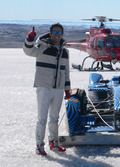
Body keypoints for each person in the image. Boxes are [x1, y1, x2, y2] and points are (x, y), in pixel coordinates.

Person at [23, 23, 71, 156]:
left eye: (59, 32)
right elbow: (28, 51)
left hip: (59, 89)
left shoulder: (65, 52)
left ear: (62, 34)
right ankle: (39, 146)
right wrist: (30, 39)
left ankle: (53, 143)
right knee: (42, 119)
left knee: (54, 118)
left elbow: (66, 72)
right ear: (50, 33)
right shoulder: (41, 47)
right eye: (54, 32)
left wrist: (67, 89)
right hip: (44, 87)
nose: (57, 35)